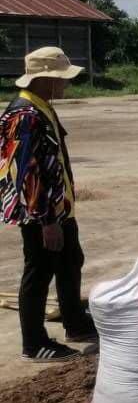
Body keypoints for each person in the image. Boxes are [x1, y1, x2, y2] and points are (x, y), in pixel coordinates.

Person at [0, 47, 97, 362]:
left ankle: (76, 323)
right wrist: (46, 220)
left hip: (58, 210)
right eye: (60, 79)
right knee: (38, 272)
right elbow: (24, 174)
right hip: (40, 214)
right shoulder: (23, 115)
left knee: (71, 262)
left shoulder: (42, 107)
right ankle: (34, 343)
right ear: (43, 79)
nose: (65, 84)